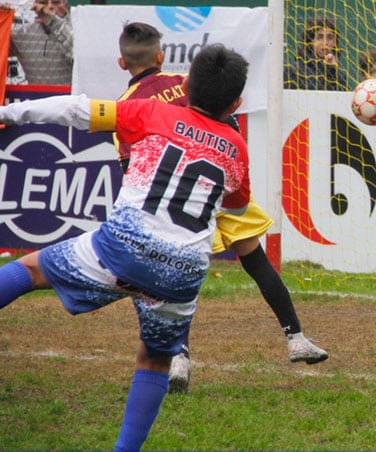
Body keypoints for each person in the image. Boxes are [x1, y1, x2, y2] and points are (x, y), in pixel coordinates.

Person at [0, 44, 252, 450]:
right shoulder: (237, 148)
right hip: (182, 272)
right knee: (154, 359)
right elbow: (237, 201)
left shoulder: (151, 112)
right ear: (236, 103)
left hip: (124, 246)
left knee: (29, 271)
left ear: (185, 84)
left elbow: (76, 111)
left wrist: (9, 113)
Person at [116, 22, 328, 393]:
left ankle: (178, 357)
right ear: (161, 56)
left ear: (122, 63)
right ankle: (296, 337)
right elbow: (225, 120)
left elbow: (132, 166)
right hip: (215, 183)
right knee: (256, 259)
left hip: (172, 201)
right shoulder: (186, 81)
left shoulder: (126, 107)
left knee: (166, 277)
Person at [0, 0, 72, 85]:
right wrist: (3, 18)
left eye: (56, 2)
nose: (49, 7)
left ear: (65, 5)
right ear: (34, 7)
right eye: (43, 3)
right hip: (36, 95)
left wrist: (52, 21)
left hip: (71, 95)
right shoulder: (23, 34)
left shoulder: (76, 29)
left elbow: (75, 51)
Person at [283, 16, 347, 91]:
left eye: (330, 38)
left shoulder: (339, 74)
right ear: (310, 41)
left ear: (335, 43)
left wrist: (332, 70)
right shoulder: (294, 70)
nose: (325, 43)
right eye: (320, 37)